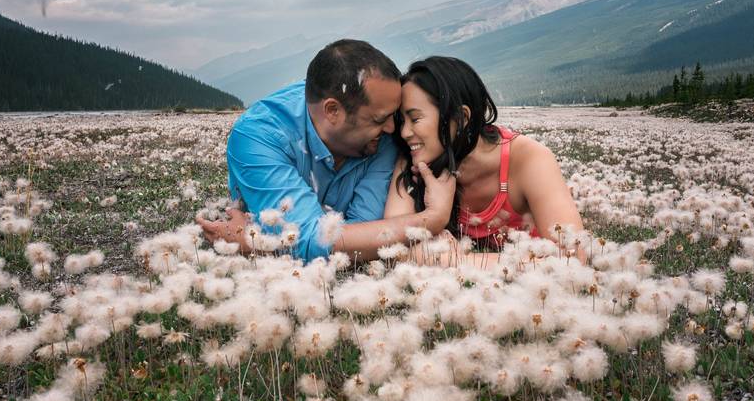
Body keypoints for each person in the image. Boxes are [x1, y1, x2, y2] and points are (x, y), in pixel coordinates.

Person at [197, 39, 455, 262]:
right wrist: (431, 219)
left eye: (392, 116)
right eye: (378, 120)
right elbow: (318, 239)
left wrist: (261, 245)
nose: (393, 129)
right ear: (332, 111)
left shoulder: (381, 131)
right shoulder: (258, 136)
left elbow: (362, 231)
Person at [384, 56, 585, 259]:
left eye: (415, 118)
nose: (404, 132)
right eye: (402, 121)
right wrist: (436, 215)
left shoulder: (530, 159)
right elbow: (393, 244)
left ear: (461, 118)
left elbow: (572, 257)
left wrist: (458, 262)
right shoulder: (413, 161)